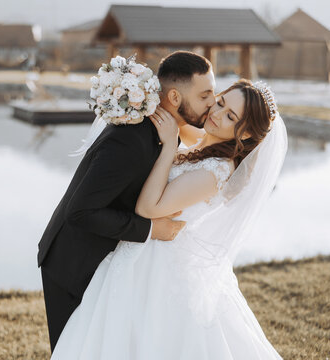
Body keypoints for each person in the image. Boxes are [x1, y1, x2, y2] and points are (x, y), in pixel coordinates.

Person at [50, 78, 287, 359]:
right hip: (141, 253)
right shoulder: (202, 143)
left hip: (160, 265)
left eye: (230, 116)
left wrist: (166, 148)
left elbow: (148, 208)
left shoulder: (217, 171)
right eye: (220, 102)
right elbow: (176, 107)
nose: (217, 114)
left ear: (246, 134)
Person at [37, 51, 217, 352]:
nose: (212, 101)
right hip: (73, 264)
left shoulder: (160, 132)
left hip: (105, 262)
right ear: (174, 97)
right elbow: (80, 212)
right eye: (205, 94)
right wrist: (150, 229)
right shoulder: (131, 140)